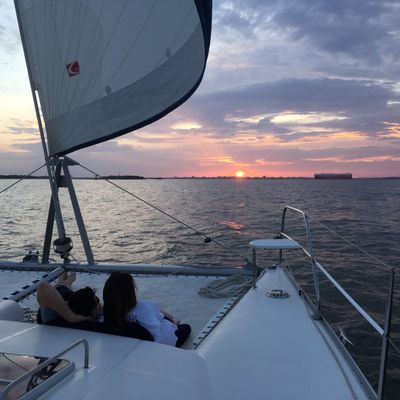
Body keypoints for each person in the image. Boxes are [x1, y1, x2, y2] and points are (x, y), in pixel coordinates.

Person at [36, 272, 153, 341]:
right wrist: (71, 317)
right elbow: (43, 287)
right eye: (97, 301)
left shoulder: (62, 312)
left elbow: (44, 288)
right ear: (92, 313)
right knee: (62, 285)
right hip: (62, 297)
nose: (100, 304)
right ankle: (65, 281)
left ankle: (66, 281)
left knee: (63, 285)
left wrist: (70, 315)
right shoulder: (55, 317)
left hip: (66, 296)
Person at [103, 272, 191, 348]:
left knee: (160, 314)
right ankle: (175, 321)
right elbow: (159, 322)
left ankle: (173, 320)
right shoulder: (145, 307)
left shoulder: (109, 314)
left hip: (147, 336)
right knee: (185, 327)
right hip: (164, 342)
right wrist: (173, 321)